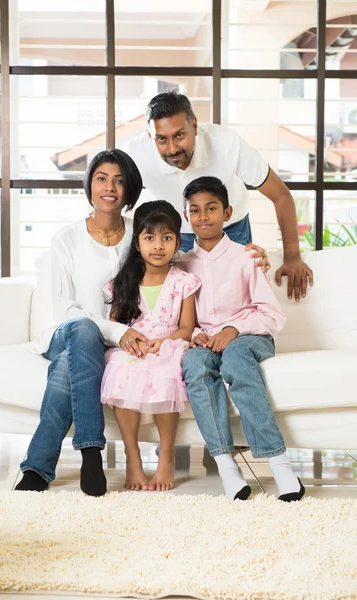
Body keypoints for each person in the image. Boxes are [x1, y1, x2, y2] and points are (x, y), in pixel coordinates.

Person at [15, 149, 150, 496]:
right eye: (102, 178)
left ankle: (37, 469)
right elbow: (65, 309)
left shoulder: (140, 235)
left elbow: (178, 257)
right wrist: (118, 332)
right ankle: (92, 451)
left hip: (94, 349)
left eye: (119, 180)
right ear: (90, 184)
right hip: (65, 333)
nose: (110, 187)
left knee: (67, 369)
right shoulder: (68, 238)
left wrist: (244, 255)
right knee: (83, 331)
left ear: (130, 189)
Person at [179, 176, 305, 502]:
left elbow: (271, 314)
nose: (203, 216)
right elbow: (181, 319)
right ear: (186, 216)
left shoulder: (245, 256)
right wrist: (198, 335)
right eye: (195, 210)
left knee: (235, 358)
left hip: (250, 337)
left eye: (211, 208)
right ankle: (227, 468)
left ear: (227, 212)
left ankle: (280, 465)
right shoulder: (181, 265)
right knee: (193, 363)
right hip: (207, 342)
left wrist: (233, 330)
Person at [125, 90, 313, 302]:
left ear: (194, 126)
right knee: (186, 306)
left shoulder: (227, 143)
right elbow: (113, 202)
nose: (172, 148)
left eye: (179, 135)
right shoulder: (136, 154)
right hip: (179, 234)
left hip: (232, 227)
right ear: (151, 137)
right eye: (161, 139)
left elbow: (280, 195)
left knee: (237, 300)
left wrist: (292, 257)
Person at [101, 200, 200, 492]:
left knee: (164, 372)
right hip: (133, 348)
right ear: (137, 244)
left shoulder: (183, 282)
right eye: (149, 238)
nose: (158, 245)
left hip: (169, 345)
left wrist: (164, 342)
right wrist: (130, 341)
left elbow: (186, 328)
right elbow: (115, 327)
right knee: (120, 368)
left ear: (177, 242)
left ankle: (166, 455)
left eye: (167, 238)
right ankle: (133, 457)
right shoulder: (124, 283)